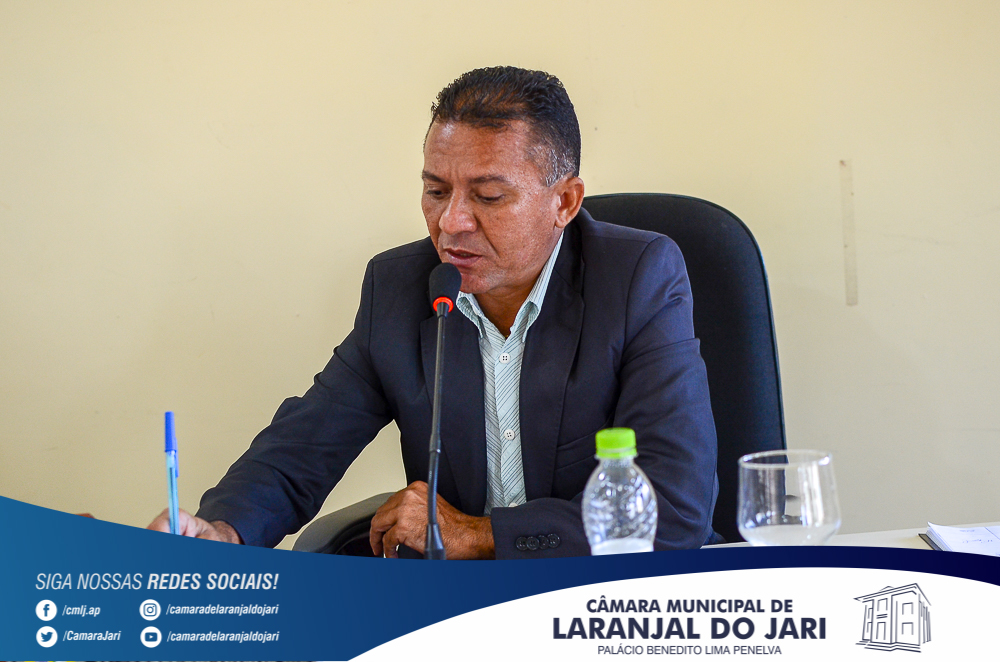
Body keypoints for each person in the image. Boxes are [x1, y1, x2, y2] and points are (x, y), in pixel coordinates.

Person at [148, 66, 718, 558]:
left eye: (488, 196)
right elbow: (305, 445)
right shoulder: (399, 287)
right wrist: (222, 530)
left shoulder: (637, 278)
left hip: (607, 601)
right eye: (437, 191)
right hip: (462, 610)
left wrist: (478, 533)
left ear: (564, 202)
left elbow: (674, 508)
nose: (451, 223)